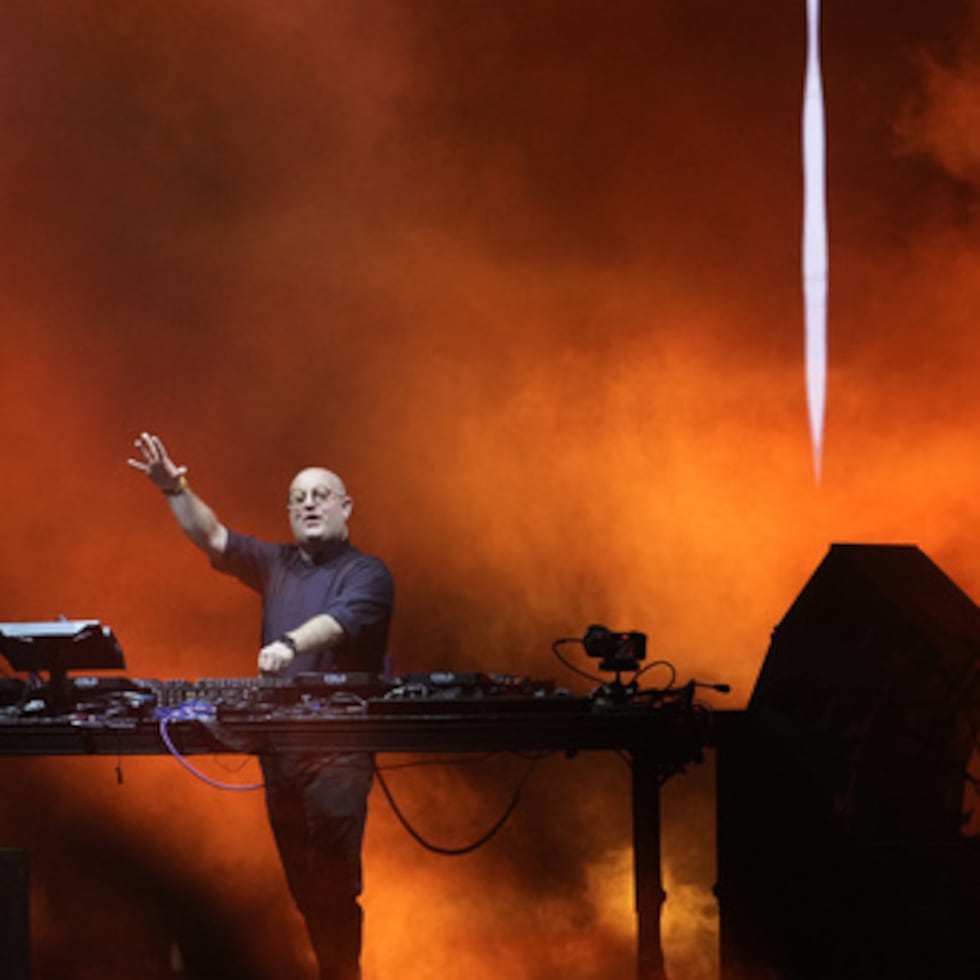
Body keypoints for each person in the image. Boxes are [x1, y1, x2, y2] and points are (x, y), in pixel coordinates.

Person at [128, 431, 394, 980]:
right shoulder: (276, 564)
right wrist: (174, 488)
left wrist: (290, 643)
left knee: (333, 882)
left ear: (346, 507)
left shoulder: (368, 573)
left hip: (337, 751)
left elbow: (340, 621)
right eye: (298, 498)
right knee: (305, 888)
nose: (309, 504)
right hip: (281, 751)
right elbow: (214, 538)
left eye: (321, 495)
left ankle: (342, 973)